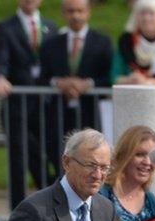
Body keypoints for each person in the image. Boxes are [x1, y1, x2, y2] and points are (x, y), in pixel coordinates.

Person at [0, 0, 58, 211]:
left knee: (49, 154)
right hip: (17, 105)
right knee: (19, 160)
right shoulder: (5, 26)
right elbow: (2, 58)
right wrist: (0, 77)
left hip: (44, 105)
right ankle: (18, 213)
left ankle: (53, 206)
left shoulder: (51, 26)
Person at [39, 0, 114, 181]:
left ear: (88, 12)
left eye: (80, 11)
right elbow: (42, 76)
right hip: (59, 114)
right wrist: (59, 83)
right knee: (60, 158)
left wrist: (87, 84)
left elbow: (108, 77)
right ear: (63, 13)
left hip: (90, 112)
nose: (75, 15)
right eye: (71, 11)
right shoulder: (51, 43)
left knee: (91, 157)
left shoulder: (102, 42)